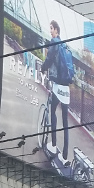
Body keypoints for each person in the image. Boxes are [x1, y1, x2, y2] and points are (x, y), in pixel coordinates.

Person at [40, 20, 71, 164]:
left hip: (58, 84)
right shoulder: (65, 46)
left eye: (51, 28)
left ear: (56, 30)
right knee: (65, 121)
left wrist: (42, 69)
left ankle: (52, 145)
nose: (50, 31)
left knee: (52, 111)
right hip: (67, 88)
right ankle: (64, 156)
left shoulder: (54, 43)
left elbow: (48, 60)